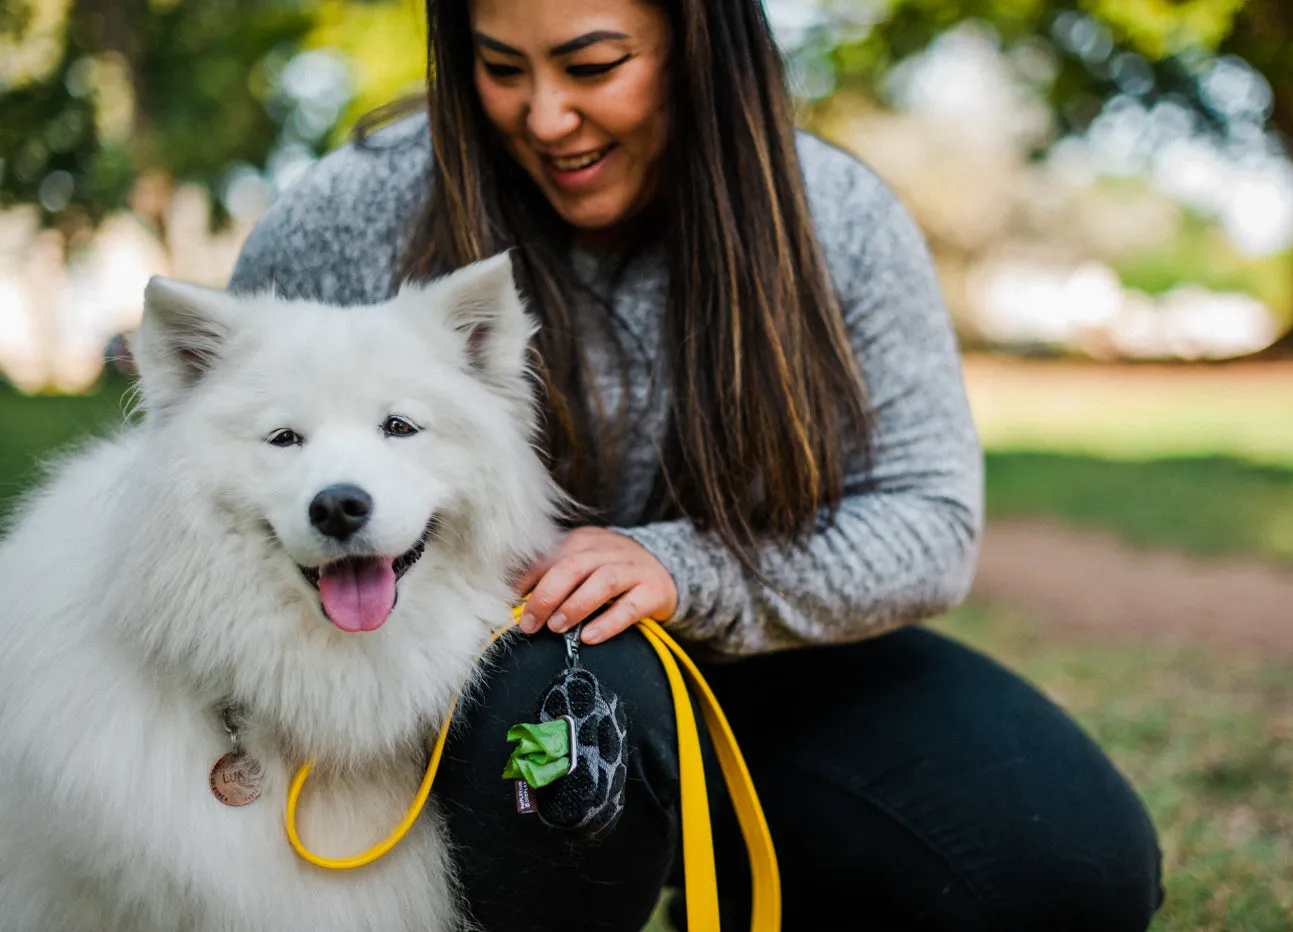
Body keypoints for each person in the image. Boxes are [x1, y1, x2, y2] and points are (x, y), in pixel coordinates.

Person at [228, 0, 1163, 928]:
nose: (546, 116)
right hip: (476, 687)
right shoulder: (352, 209)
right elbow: (217, 467)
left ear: (696, 45)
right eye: (502, 69)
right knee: (573, 685)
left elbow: (929, 520)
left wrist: (682, 569)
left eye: (593, 66)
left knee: (1067, 865)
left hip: (785, 664)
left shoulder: (839, 217)